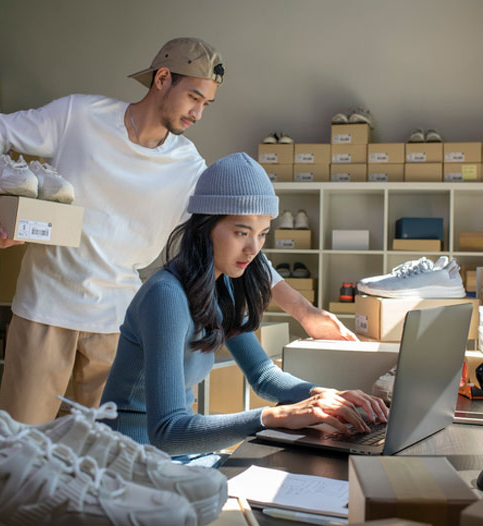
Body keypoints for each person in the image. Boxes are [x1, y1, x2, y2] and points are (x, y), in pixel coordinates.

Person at [0, 37, 356, 425]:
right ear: (163, 78)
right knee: (16, 448)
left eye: (206, 104)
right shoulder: (78, 116)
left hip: (117, 324)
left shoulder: (187, 167)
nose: (198, 114)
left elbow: (241, 238)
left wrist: (306, 313)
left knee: (105, 457)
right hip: (45, 310)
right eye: (193, 98)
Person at [100, 153, 388, 455]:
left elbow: (263, 375)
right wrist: (274, 417)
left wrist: (323, 396)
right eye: (242, 233)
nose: (253, 249)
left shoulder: (221, 285)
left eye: (262, 234)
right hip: (130, 459)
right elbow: (168, 432)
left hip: (175, 457)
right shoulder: (166, 296)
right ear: (205, 227)